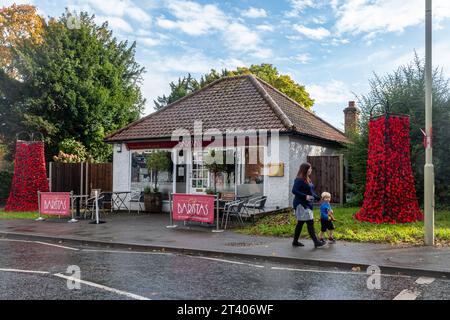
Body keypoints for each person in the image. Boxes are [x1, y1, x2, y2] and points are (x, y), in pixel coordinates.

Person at [292, 163, 325, 248]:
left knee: (300, 223)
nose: (311, 170)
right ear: (305, 169)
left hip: (307, 204)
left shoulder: (307, 179)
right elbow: (294, 190)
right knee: (310, 222)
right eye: (309, 169)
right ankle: (316, 242)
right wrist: (305, 196)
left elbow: (311, 192)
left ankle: (295, 242)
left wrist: (318, 199)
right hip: (301, 205)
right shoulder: (299, 180)